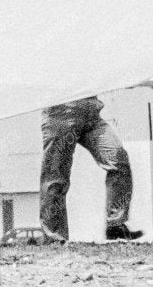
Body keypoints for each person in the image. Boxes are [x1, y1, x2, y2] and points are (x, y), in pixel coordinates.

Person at [38, 94, 136, 241]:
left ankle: (115, 226)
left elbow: (115, 72)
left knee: (118, 159)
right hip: (60, 114)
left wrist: (148, 76)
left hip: (91, 116)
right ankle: (54, 238)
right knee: (55, 179)